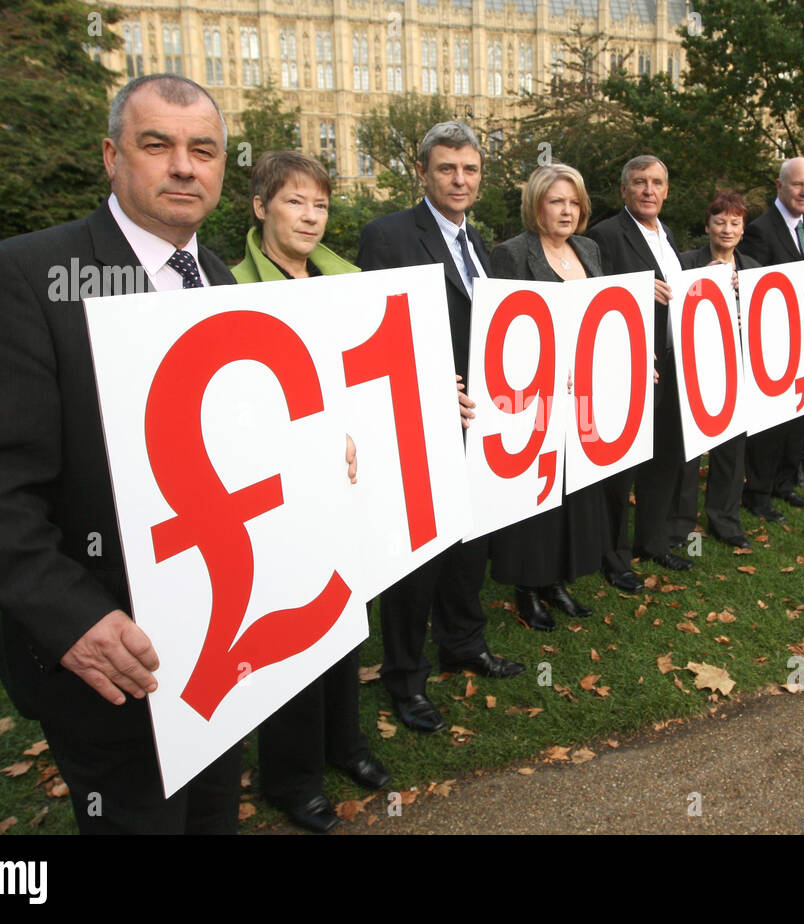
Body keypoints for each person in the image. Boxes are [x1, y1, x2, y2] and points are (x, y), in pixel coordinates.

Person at [0, 74, 244, 833]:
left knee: (214, 819)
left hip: (222, 647)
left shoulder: (227, 282)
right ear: (112, 155)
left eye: (202, 149)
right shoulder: (25, 276)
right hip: (111, 662)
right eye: (157, 145)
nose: (183, 166)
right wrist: (73, 618)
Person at [233, 150, 389, 834]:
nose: (309, 215)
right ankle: (289, 778)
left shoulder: (348, 278)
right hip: (277, 491)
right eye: (295, 201)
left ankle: (343, 744)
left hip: (350, 482)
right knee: (292, 628)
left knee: (343, 616)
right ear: (261, 206)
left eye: (320, 204)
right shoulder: (231, 284)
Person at [356, 121, 525, 736]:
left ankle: (463, 643)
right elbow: (376, 328)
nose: (460, 179)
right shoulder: (389, 235)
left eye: (470, 169)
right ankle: (404, 677)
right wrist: (429, 389)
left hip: (478, 420)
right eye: (447, 168)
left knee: (468, 542)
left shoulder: (479, 242)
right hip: (419, 423)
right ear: (423, 173)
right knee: (416, 557)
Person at [487, 164, 607, 630]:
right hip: (533, 395)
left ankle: (558, 579)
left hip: (585, 395)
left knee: (574, 489)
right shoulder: (510, 254)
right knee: (537, 492)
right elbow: (502, 332)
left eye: (574, 202)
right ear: (536, 205)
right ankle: (527, 586)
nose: (567, 210)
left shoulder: (589, 247)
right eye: (557, 201)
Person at [588, 155, 697, 575]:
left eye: (656, 183)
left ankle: (652, 542)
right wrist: (632, 289)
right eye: (639, 183)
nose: (648, 190)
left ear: (666, 191)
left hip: (673, 365)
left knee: (666, 457)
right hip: (631, 367)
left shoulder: (666, 234)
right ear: (624, 191)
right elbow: (595, 297)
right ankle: (613, 558)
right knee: (623, 466)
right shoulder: (605, 234)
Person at [737, 157, 804, 522]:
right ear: (779, 186)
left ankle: (784, 484)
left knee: (800, 416)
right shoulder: (760, 230)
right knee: (772, 422)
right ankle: (757, 493)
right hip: (773, 343)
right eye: (797, 185)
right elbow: (755, 292)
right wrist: (795, 310)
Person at [677, 190, 761, 549]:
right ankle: (681, 522)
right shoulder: (684, 263)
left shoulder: (755, 269)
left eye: (734, 222)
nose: (727, 229)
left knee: (731, 446)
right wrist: (697, 284)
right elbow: (673, 312)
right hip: (695, 366)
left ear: (743, 228)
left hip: (738, 368)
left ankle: (725, 520)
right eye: (720, 221)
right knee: (689, 448)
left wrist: (747, 309)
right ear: (707, 226)